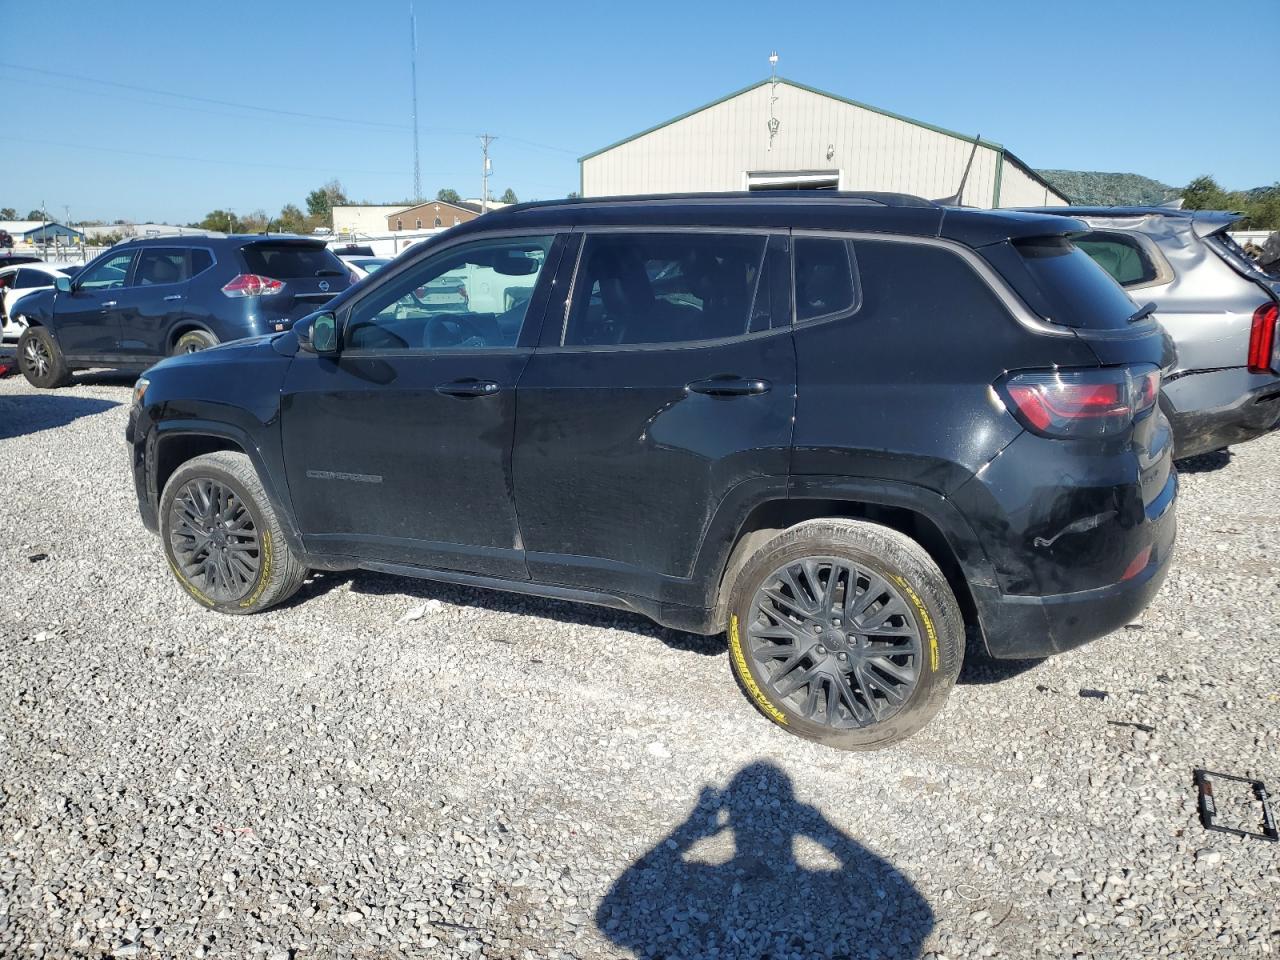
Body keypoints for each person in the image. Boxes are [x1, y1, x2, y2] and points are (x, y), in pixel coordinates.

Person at [596, 761, 934, 958]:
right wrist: (822, 829)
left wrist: (692, 828)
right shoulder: (822, 887)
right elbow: (912, 908)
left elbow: (615, 911)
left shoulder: (703, 881)